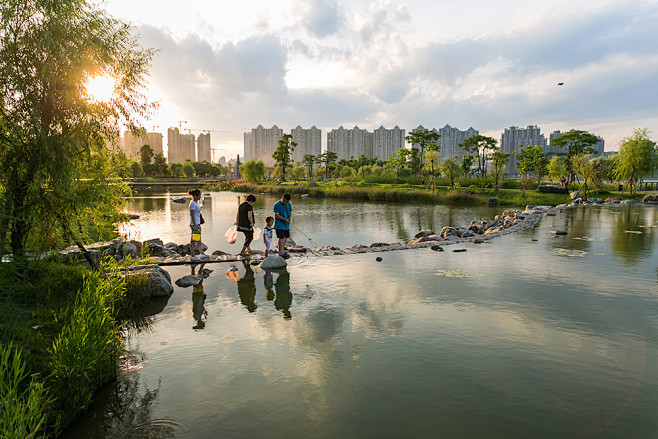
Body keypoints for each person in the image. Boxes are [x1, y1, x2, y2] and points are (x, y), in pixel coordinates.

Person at [188, 189, 207, 261]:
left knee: (197, 239)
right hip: (194, 224)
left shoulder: (195, 203)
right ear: (195, 196)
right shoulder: (192, 204)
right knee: (194, 240)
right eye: (199, 195)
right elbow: (192, 215)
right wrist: (195, 225)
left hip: (197, 224)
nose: (200, 196)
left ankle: (201, 253)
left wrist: (202, 204)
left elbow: (198, 209)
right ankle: (193, 256)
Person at [273, 193, 292, 258]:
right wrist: (284, 219)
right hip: (279, 225)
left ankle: (283, 250)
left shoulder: (289, 204)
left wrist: (289, 218)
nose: (285, 203)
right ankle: (280, 252)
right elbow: (277, 215)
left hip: (286, 225)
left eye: (287, 202)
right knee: (281, 237)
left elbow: (290, 212)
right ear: (282, 198)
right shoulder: (277, 205)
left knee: (285, 237)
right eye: (284, 201)